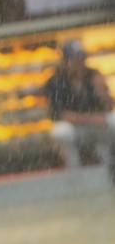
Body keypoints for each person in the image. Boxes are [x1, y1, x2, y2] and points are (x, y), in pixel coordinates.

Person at [44, 39, 115, 175]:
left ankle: (109, 165)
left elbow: (109, 107)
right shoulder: (55, 81)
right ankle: (74, 172)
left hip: (96, 124)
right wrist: (90, 118)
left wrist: (104, 93)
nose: (80, 63)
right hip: (75, 127)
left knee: (113, 122)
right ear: (66, 61)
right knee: (60, 132)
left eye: (82, 58)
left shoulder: (93, 75)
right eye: (75, 59)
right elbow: (59, 114)